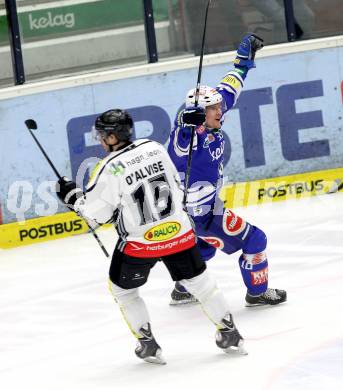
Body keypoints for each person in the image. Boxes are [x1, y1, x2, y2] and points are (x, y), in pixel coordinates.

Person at [55, 109, 247, 364]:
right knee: (203, 284)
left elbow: (96, 215)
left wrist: (72, 197)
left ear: (112, 137)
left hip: (140, 244)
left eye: (102, 135)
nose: (100, 139)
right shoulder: (154, 148)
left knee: (124, 292)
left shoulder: (108, 168)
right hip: (179, 233)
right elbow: (177, 188)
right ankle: (230, 333)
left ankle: (148, 344)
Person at [168, 33, 287, 306]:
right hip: (201, 214)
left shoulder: (212, 116)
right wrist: (187, 125)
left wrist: (242, 62)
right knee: (255, 240)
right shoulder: (186, 138)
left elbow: (229, 88)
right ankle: (257, 293)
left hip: (199, 210)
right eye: (213, 109)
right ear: (198, 113)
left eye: (218, 106)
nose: (220, 111)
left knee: (205, 247)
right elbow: (180, 142)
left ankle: (184, 287)